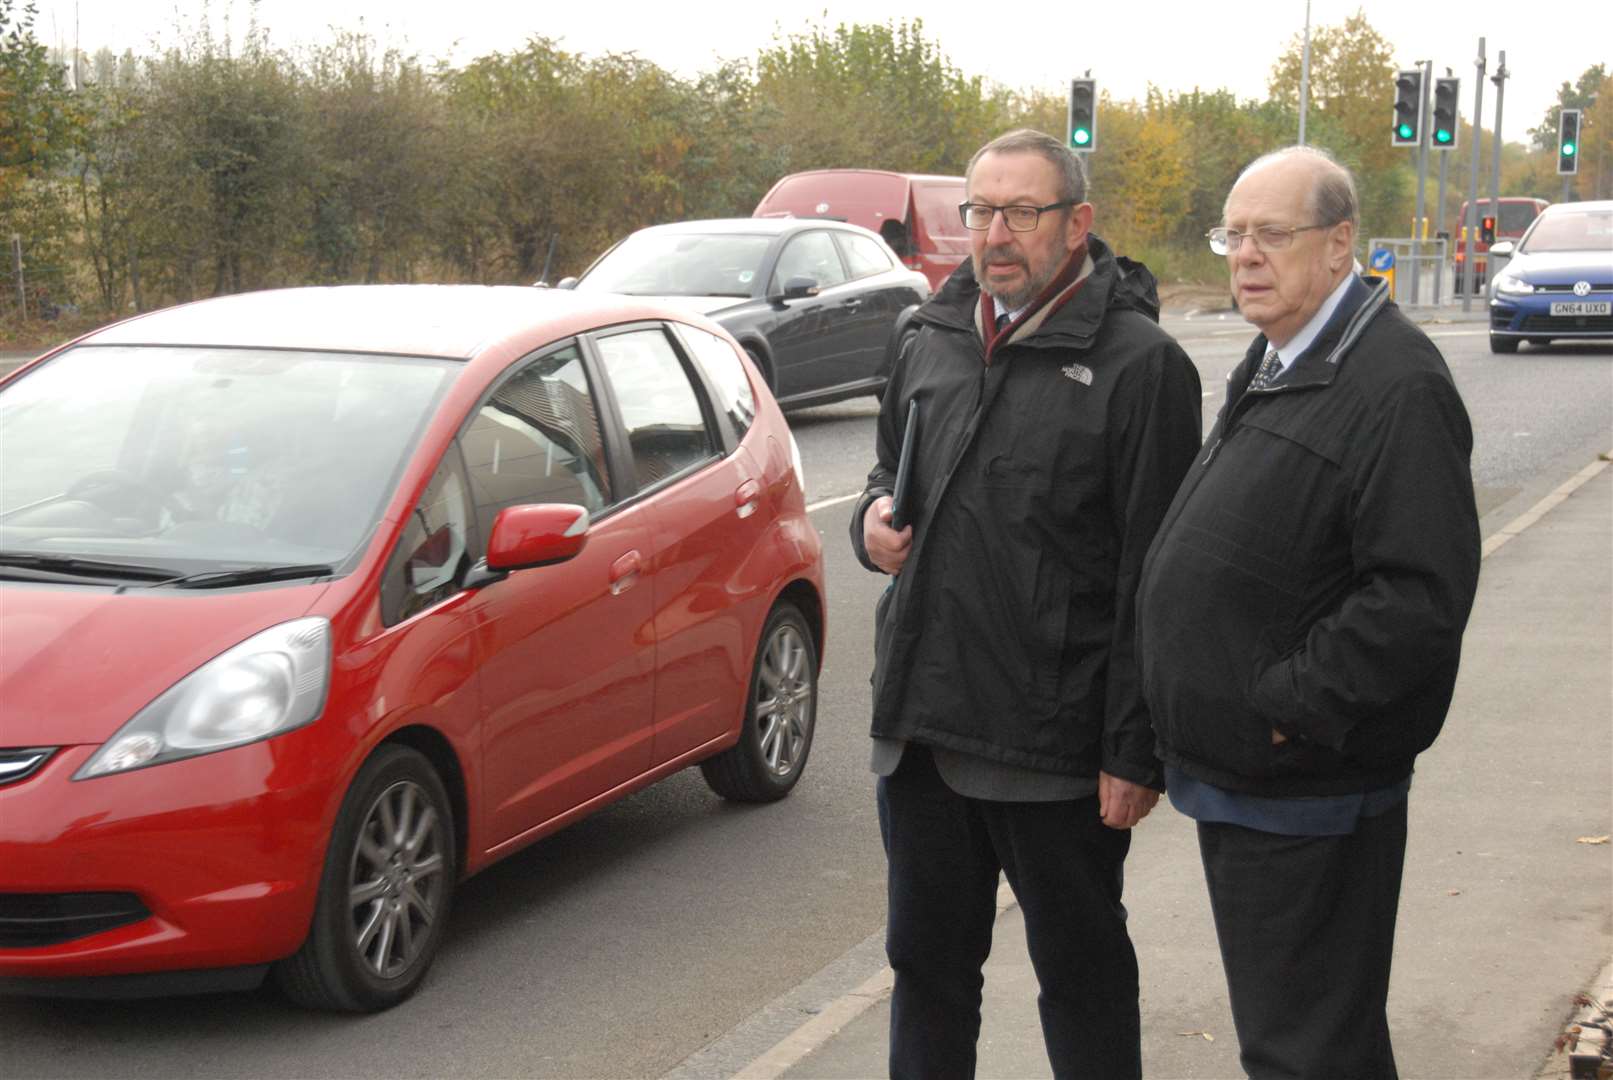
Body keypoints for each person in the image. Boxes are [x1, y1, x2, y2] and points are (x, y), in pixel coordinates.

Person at [849, 128, 1203, 1079]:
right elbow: (888, 473)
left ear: (1077, 223)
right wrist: (870, 524)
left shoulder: (1141, 367)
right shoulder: (927, 333)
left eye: (1021, 212)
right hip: (922, 730)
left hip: (1054, 750)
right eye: (979, 211)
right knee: (924, 973)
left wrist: (1134, 750)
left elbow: (1153, 579)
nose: (994, 234)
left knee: (1081, 983)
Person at [1135, 146, 1482, 1079]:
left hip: (1306, 789)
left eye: (1270, 235)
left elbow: (1416, 598)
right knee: (1299, 1043)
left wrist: (1284, 707)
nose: (1244, 256)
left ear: (1338, 245)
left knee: (1307, 1052)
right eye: (1232, 234)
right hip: (1256, 781)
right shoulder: (1284, 352)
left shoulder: (1392, 383)